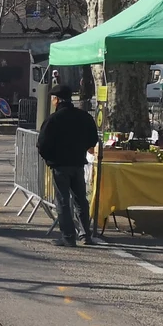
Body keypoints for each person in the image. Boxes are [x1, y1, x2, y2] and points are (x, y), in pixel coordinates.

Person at [36, 85, 100, 246]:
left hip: (59, 165)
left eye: (52, 99)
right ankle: (86, 235)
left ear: (56, 100)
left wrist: (49, 158)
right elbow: (93, 140)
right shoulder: (84, 117)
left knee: (63, 201)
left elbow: (42, 144)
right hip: (78, 163)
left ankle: (68, 236)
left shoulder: (53, 119)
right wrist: (80, 149)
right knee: (81, 200)